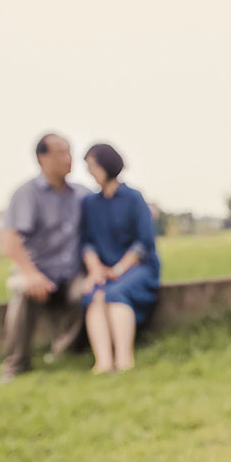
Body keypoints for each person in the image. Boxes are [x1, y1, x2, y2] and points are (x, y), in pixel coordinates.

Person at [0, 133, 91, 383]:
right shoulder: (27, 194)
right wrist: (30, 274)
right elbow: (9, 238)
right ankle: (15, 365)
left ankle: (64, 352)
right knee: (23, 292)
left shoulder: (82, 194)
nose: (68, 158)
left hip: (72, 273)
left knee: (87, 291)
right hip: (36, 270)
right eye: (61, 153)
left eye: (69, 152)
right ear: (42, 158)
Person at [80, 143, 160, 374]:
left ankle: (124, 360)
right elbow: (87, 242)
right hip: (104, 269)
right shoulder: (90, 204)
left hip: (138, 268)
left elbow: (143, 242)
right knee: (95, 296)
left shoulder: (133, 198)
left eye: (93, 166)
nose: (90, 172)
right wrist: (95, 270)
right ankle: (103, 362)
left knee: (114, 293)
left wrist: (118, 269)